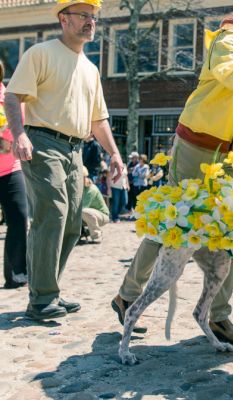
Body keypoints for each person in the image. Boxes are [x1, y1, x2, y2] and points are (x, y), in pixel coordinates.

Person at [111, 0, 233, 343]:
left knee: (230, 230)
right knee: (175, 225)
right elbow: (229, 71)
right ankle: (128, 295)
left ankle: (218, 316)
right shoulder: (230, 36)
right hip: (197, 145)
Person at [4, 0, 124, 320]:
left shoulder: (91, 68)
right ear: (63, 19)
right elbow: (13, 97)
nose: (90, 22)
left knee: (72, 222)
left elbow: (99, 120)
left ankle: (49, 291)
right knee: (52, 214)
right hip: (42, 142)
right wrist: (19, 135)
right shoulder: (40, 53)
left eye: (93, 17)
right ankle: (41, 297)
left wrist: (114, 154)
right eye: (83, 15)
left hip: (75, 150)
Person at [0, 59, 28, 289]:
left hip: (10, 168)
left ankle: (16, 273)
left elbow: (22, 127)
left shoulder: (10, 95)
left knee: (19, 217)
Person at [81, 166, 109, 243]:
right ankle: (83, 232)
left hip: (103, 216)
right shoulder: (80, 188)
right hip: (90, 215)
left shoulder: (91, 189)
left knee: (83, 211)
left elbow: (82, 207)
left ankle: (97, 236)